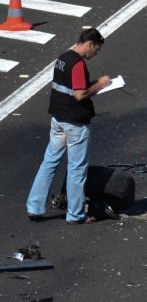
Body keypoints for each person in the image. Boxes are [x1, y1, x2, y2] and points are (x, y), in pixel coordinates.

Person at [26, 28, 111, 224]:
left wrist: (93, 83)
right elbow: (80, 95)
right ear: (89, 44)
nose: (94, 54)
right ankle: (75, 214)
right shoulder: (78, 64)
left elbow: (69, 86)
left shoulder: (63, 58)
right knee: (77, 170)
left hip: (58, 119)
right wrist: (100, 85)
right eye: (95, 50)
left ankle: (35, 207)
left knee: (49, 163)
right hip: (75, 124)